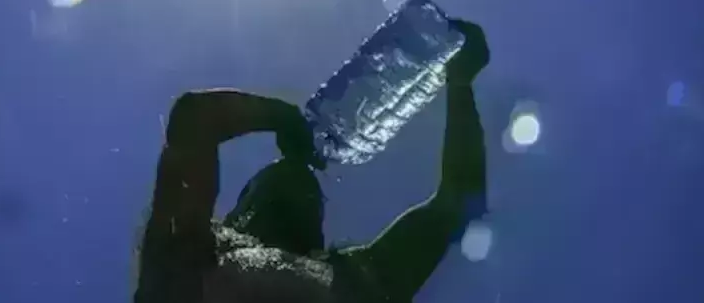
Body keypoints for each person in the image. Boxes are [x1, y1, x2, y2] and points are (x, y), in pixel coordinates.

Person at [133, 20, 490, 303]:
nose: (293, 175)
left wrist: (460, 84)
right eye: (268, 185)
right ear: (236, 215)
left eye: (310, 197)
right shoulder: (186, 253)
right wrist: (284, 117)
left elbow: (459, 201)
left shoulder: (361, 277)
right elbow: (194, 119)